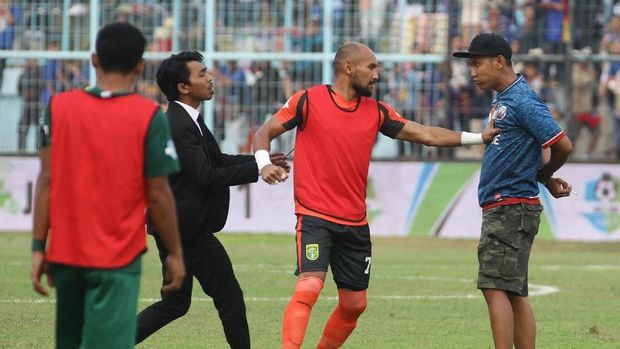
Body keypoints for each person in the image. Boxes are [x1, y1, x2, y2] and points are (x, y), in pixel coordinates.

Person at [252, 42, 500, 349]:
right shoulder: (308, 100)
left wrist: (479, 137)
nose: (377, 75)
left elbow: (425, 134)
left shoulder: (377, 112)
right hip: (315, 216)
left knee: (355, 305)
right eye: (371, 68)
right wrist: (263, 164)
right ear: (348, 68)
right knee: (310, 286)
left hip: (355, 224)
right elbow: (264, 132)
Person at [30, 22, 186, 349]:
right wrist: (174, 253)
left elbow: (46, 180)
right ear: (141, 66)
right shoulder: (149, 116)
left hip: (67, 255)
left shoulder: (58, 107)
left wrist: (37, 247)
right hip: (118, 258)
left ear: (93, 59)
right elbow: (158, 193)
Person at [135, 51, 287, 349]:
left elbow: (217, 160)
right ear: (183, 87)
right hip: (186, 231)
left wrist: (263, 159)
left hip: (177, 227)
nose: (210, 77)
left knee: (175, 304)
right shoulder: (178, 124)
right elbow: (206, 175)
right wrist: (259, 169)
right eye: (202, 73)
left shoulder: (188, 118)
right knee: (229, 298)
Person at [453, 33, 573, 349]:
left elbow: (561, 144)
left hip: (509, 205)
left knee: (495, 288)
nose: (472, 72)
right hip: (508, 204)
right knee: (514, 291)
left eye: (477, 64)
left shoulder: (522, 100)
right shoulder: (504, 98)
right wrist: (543, 177)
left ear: (500, 61)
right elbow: (538, 145)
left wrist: (542, 175)